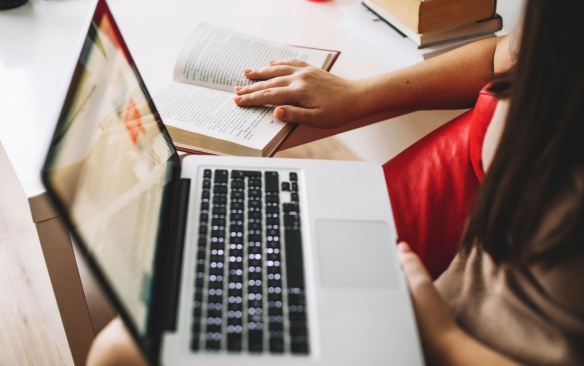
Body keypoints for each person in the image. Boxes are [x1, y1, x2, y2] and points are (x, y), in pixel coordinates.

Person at [88, 0, 584, 364]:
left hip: (450, 337)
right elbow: (508, 56)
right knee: (144, 322)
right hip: (433, 278)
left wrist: (442, 339)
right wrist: (357, 97)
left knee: (121, 351)